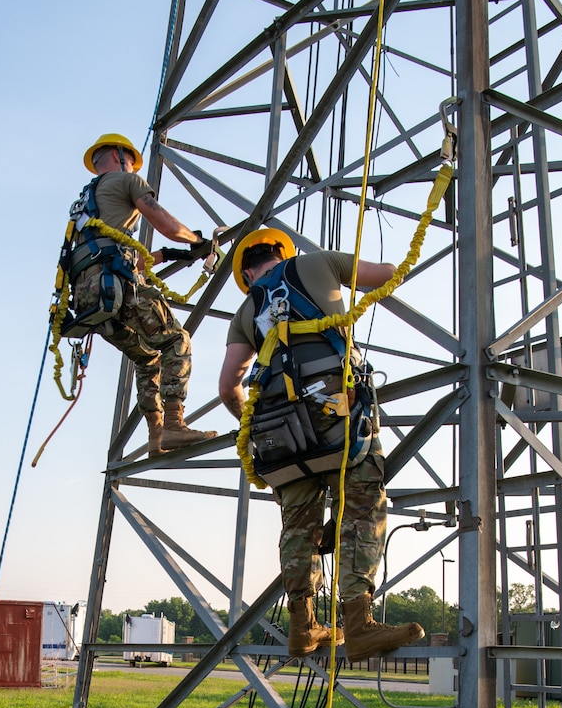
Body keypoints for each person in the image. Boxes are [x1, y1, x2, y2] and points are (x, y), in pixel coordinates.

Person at [218, 229, 424, 660]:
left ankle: (302, 625)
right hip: (337, 417)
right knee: (362, 503)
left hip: (281, 436)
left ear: (246, 272)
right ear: (281, 252)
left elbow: (228, 386)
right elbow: (387, 276)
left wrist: (257, 427)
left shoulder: (245, 309)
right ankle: (359, 623)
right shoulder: (318, 263)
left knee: (297, 526)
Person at [62, 132, 217, 454]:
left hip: (92, 298)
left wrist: (170, 256)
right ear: (122, 154)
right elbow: (166, 223)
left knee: (148, 360)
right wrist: (193, 240)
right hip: (118, 287)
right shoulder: (126, 180)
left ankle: (156, 436)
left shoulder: (86, 202)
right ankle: (174, 425)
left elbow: (118, 254)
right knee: (177, 340)